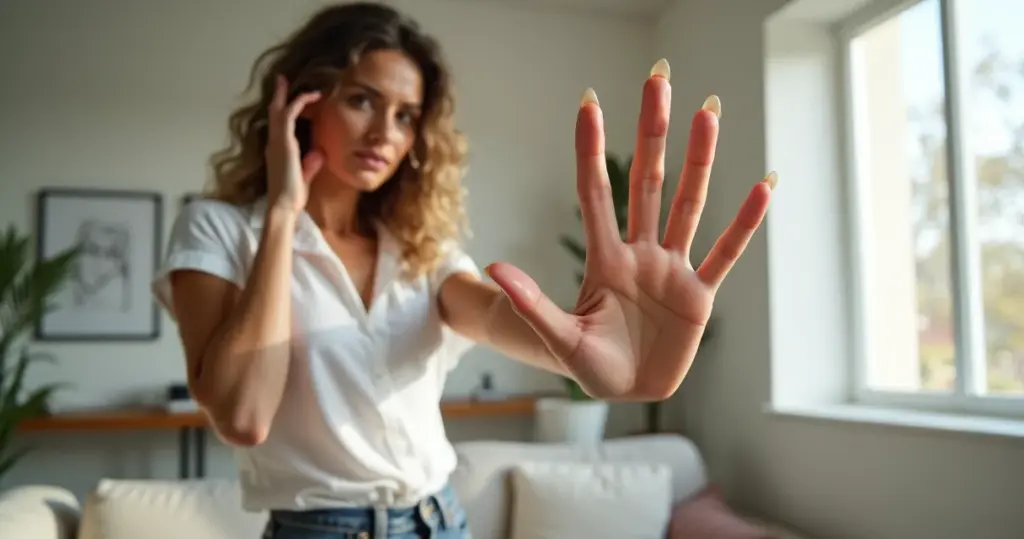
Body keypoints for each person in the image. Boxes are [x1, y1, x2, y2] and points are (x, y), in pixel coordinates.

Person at [151, 3, 775, 538]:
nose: (385, 134)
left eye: (405, 114)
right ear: (298, 102)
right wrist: (285, 214)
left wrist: (584, 348)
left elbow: (486, 310)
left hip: (439, 520)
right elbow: (242, 416)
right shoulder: (220, 230)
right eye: (362, 100)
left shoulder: (418, 244)